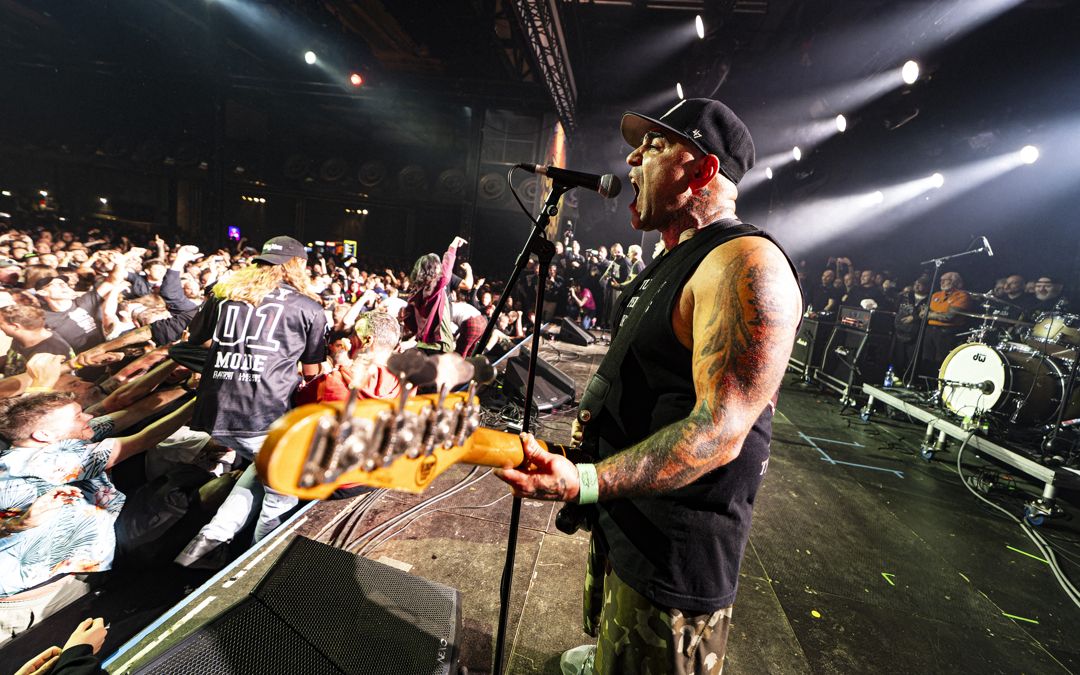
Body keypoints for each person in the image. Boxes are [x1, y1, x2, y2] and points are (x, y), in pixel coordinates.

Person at [494, 98, 801, 675]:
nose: (632, 157)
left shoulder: (744, 265)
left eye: (656, 146)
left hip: (674, 553)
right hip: (626, 513)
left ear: (704, 170)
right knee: (616, 642)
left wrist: (586, 480)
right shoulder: (673, 257)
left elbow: (720, 430)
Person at [175, 235, 327, 567]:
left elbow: (194, 338)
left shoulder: (225, 292)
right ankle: (256, 569)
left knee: (262, 467)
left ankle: (207, 542)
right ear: (297, 265)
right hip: (260, 413)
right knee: (280, 496)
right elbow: (313, 371)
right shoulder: (309, 307)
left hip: (215, 412)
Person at [0, 391, 194, 642]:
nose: (89, 417)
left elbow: (134, 412)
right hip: (23, 602)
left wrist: (192, 389)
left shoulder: (46, 445)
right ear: (43, 435)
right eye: (78, 416)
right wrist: (203, 401)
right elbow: (144, 439)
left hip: (63, 581)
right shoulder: (45, 462)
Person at [402, 236, 467, 354]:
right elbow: (446, 275)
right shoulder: (432, 288)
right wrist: (452, 247)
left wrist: (420, 332)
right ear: (434, 268)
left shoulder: (416, 291)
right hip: (439, 345)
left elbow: (408, 317)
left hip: (423, 343)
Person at [923, 271, 974, 373]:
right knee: (927, 358)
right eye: (941, 280)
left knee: (941, 360)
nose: (941, 282)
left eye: (945, 280)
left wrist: (931, 314)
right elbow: (923, 312)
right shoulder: (936, 295)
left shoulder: (963, 296)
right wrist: (938, 314)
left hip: (946, 333)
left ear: (955, 281)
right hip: (929, 331)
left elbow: (948, 317)